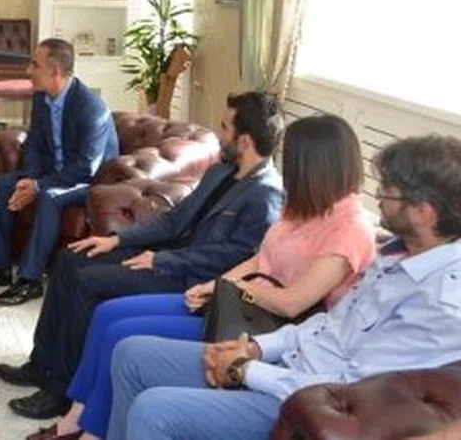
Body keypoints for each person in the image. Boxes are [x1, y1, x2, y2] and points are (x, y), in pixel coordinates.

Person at [30, 114, 377, 440]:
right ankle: (77, 418)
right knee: (109, 315)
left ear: (314, 167)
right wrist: (215, 286)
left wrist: (233, 287)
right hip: (236, 303)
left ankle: (89, 432)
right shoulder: (302, 208)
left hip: (260, 324)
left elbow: (292, 303)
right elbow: (260, 258)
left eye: (294, 161)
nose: (288, 169)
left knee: (122, 335)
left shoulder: (350, 228)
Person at [110, 135, 461, 440]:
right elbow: (327, 326)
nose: (379, 197)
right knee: (132, 353)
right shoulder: (396, 256)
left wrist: (245, 370)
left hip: (306, 403)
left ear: (423, 212)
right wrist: (256, 349)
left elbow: (352, 388)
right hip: (285, 366)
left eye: (389, 192)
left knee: (154, 410)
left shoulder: (440, 305)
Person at [0, 91, 285, 422]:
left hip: (189, 279)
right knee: (69, 259)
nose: (219, 134)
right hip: (165, 256)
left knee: (88, 283)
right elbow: (174, 220)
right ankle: (42, 363)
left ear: (244, 141)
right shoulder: (221, 172)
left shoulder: (266, 195)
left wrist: (161, 261)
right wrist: (117, 240)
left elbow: (228, 259)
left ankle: (61, 389)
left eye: (225, 127)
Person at [0, 38, 118, 306]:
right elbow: (34, 145)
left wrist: (38, 186)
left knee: (49, 197)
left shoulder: (91, 107)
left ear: (55, 72)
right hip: (53, 174)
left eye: (35, 65)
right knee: (2, 185)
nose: (28, 71)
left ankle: (30, 280)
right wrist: (30, 178)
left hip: (90, 182)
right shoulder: (42, 98)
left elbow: (86, 167)